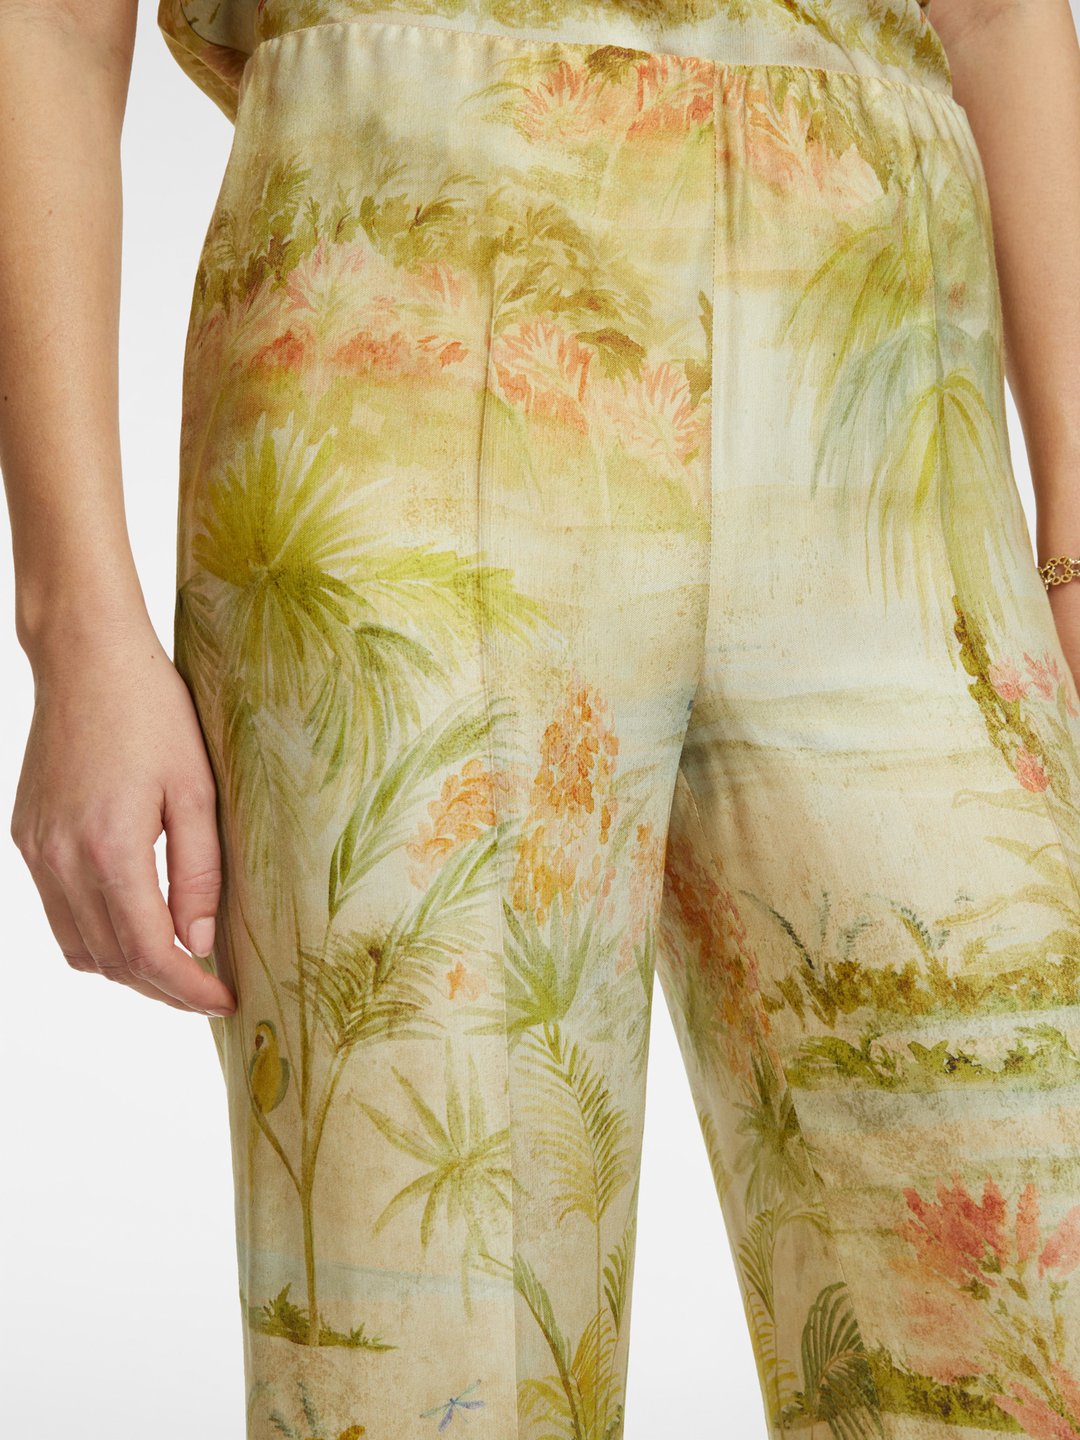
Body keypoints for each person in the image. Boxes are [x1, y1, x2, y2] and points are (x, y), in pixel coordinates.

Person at [2, 0, 1079, 1435]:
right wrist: (75, 626)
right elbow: (52, 29)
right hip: (410, 332)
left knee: (1022, 1299)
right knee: (434, 1348)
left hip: (892, 389)